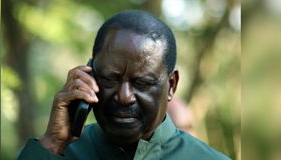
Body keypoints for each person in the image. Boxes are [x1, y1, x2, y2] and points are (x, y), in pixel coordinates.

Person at [18, 10, 230, 159]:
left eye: (143, 83)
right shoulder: (53, 153)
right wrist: (53, 142)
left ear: (171, 86)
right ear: (89, 74)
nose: (124, 96)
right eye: (110, 79)